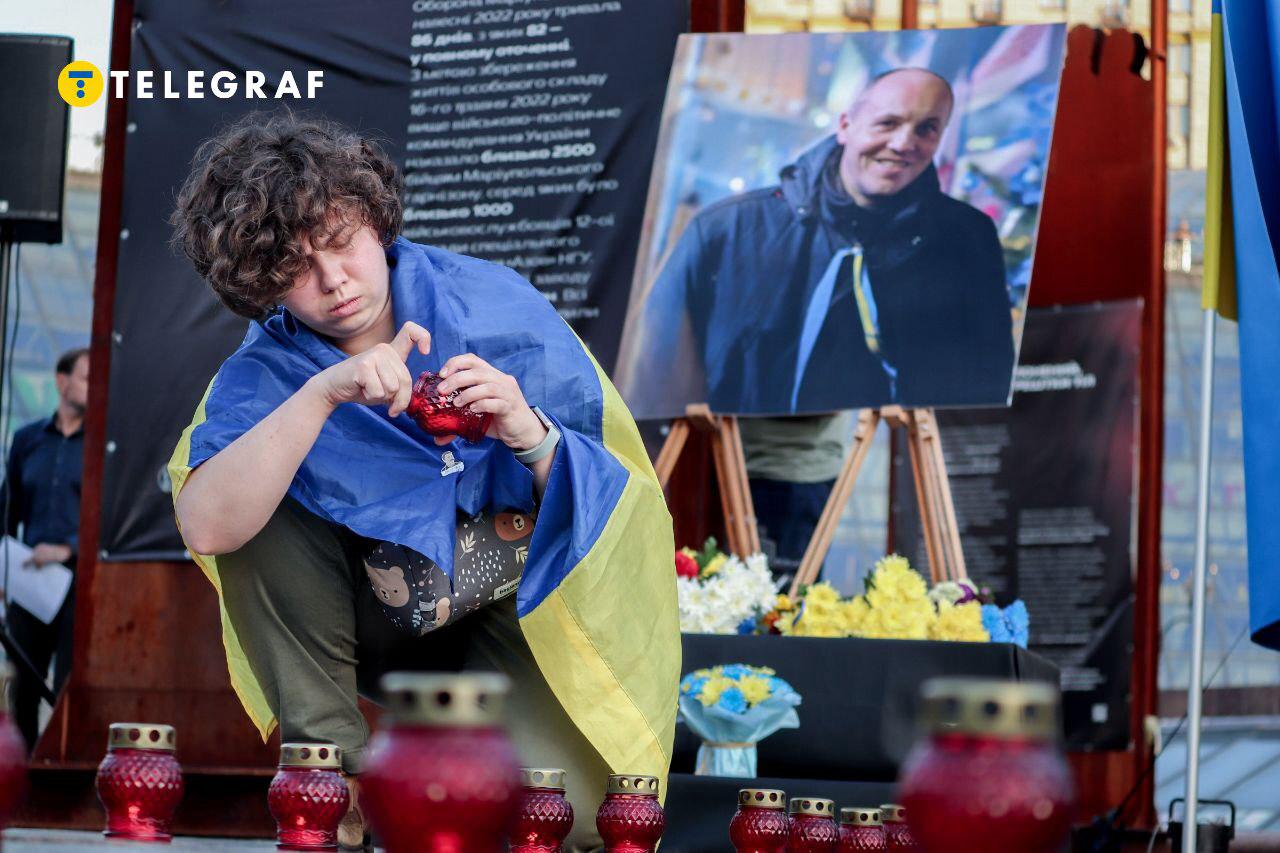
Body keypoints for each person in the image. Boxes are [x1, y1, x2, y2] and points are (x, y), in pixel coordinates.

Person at [166, 112, 677, 851]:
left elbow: (619, 506)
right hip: (364, 623)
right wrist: (322, 396)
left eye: (341, 242)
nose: (333, 281)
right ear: (259, 281)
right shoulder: (266, 368)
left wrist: (530, 434)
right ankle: (330, 781)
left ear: (375, 221)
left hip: (512, 614)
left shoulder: (495, 304)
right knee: (250, 482)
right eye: (294, 267)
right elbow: (209, 526)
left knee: (568, 820)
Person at [616, 66, 1015, 416]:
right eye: (887, 123)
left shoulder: (967, 239)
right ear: (845, 126)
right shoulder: (727, 229)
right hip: (732, 466)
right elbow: (654, 380)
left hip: (893, 469)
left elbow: (985, 380)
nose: (903, 144)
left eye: (926, 128)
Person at [1, 346, 88, 751]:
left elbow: (107, 517)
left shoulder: (100, 446)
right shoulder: (27, 440)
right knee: (22, 683)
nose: (93, 387)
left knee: (71, 683)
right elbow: (8, 509)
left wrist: (67, 549)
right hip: (29, 582)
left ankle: (63, 766)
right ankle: (23, 768)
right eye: (86, 378)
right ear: (61, 381)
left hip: (78, 584)